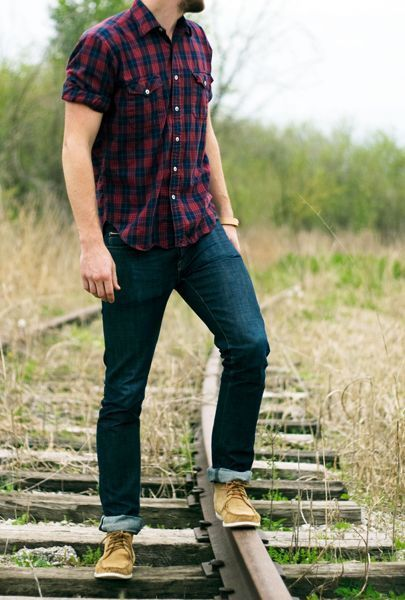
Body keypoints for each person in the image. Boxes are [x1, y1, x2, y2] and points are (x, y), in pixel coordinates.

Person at [61, 0, 271, 580]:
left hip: (199, 230)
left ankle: (231, 480)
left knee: (249, 345)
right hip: (132, 239)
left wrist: (227, 215)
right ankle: (119, 533)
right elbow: (75, 146)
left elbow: (205, 132)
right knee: (124, 391)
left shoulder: (198, 42)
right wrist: (91, 244)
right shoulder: (105, 44)